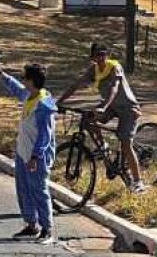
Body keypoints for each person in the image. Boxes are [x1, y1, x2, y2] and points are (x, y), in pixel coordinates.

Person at [57, 42, 147, 193]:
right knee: (87, 120)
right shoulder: (94, 70)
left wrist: (104, 107)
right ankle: (103, 147)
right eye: (97, 55)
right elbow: (76, 85)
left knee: (125, 143)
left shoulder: (115, 67)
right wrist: (59, 102)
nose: (100, 58)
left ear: (107, 55)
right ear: (92, 57)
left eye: (103, 54)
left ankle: (138, 182)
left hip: (128, 108)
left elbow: (114, 88)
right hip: (110, 106)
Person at [0, 60, 57, 245]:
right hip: (23, 153)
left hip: (35, 157)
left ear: (32, 81)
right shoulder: (30, 96)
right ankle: (31, 225)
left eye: (25, 78)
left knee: (39, 191)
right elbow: (16, 89)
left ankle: (47, 229)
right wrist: (0, 74)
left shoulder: (44, 105)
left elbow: (45, 137)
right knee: (23, 190)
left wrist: (36, 156)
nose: (23, 81)